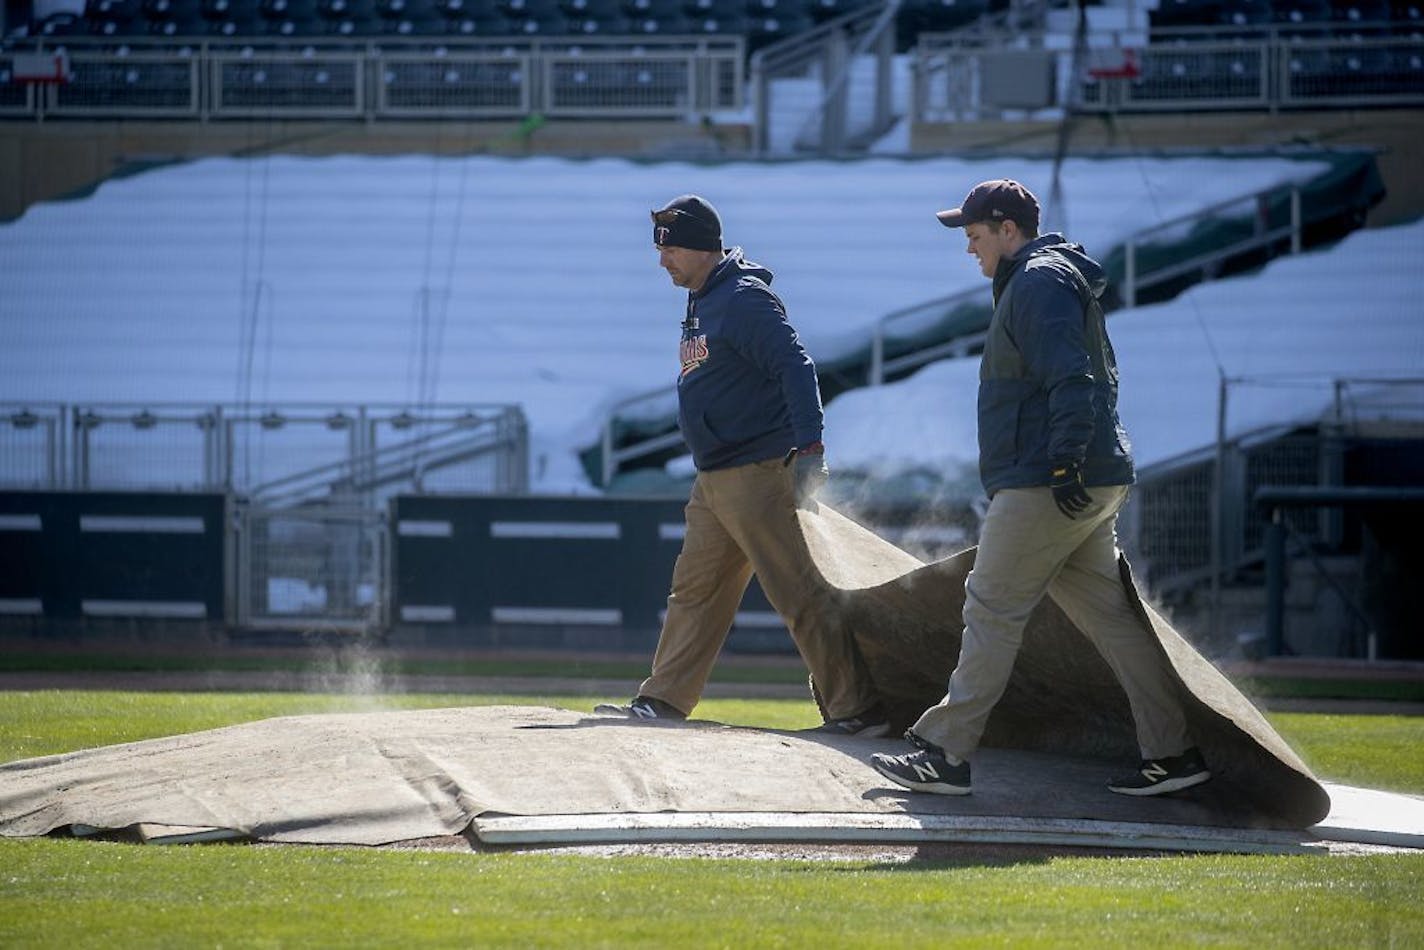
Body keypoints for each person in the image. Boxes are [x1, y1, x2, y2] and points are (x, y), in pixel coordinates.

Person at [869, 180, 1212, 796]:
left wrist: (1064, 462)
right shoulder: (1043, 279)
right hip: (1083, 477)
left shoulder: (1036, 280)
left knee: (990, 607)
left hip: (1048, 481)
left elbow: (1074, 379)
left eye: (975, 237)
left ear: (1008, 230)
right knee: (1112, 620)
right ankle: (1174, 754)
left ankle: (945, 753)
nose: (970, 251)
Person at [595, 194, 889, 736]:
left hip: (757, 471)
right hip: (714, 476)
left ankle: (857, 710)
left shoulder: (743, 299)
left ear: (704, 249)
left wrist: (810, 448)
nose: (664, 261)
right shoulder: (705, 297)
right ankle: (663, 699)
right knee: (695, 589)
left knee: (797, 591)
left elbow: (796, 367)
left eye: (673, 249)